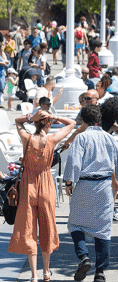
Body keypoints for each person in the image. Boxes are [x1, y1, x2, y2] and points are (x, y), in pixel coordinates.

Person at [8, 109, 75, 282]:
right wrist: (55, 117)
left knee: (29, 229)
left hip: (28, 184)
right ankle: (46, 272)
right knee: (47, 228)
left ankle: (34, 275)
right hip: (46, 184)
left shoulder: (27, 138)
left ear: (36, 122)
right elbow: (72, 124)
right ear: (48, 123)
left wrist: (30, 118)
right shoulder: (52, 139)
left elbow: (17, 121)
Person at [63, 104, 118, 282]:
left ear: (83, 120)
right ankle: (100, 272)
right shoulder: (111, 139)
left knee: (75, 224)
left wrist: (69, 182)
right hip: (104, 186)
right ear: (99, 119)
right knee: (103, 230)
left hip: (85, 184)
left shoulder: (82, 138)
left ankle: (84, 257)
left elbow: (74, 162)